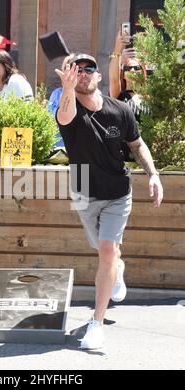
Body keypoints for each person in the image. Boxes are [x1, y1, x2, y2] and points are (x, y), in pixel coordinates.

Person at [55, 53, 163, 349]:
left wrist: (152, 174)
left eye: (89, 69)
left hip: (117, 192)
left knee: (105, 249)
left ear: (99, 76)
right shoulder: (70, 109)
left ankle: (96, 323)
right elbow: (64, 117)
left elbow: (137, 144)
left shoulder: (120, 110)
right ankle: (117, 265)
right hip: (83, 192)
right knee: (105, 252)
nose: (84, 73)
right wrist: (66, 87)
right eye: (78, 70)